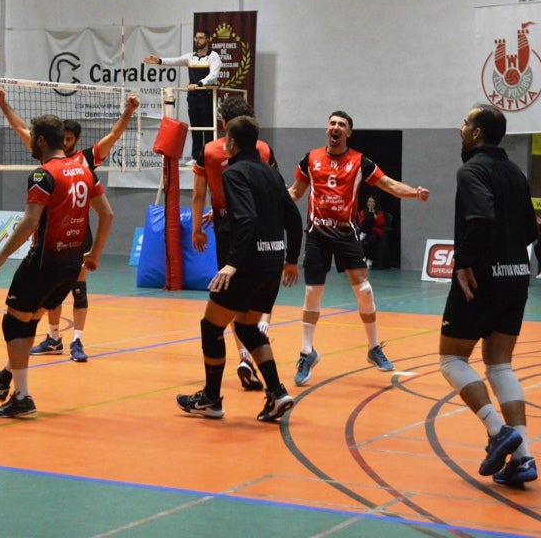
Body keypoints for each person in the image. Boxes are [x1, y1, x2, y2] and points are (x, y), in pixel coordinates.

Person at [0, 115, 114, 418]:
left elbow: (29, 222)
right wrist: (95, 254)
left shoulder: (43, 175)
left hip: (44, 262)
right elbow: (108, 215)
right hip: (71, 265)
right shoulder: (84, 170)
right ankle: (5, 380)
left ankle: (22, 397)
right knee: (30, 320)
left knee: (14, 323)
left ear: (40, 141)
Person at [0, 87, 139, 362]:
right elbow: (20, 128)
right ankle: (53, 337)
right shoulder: (51, 161)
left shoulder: (83, 160)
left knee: (75, 291)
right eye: (66, 138)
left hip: (74, 237)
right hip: (55, 240)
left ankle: (77, 341)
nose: (69, 142)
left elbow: (114, 135)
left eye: (72, 139)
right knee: (51, 298)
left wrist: (128, 112)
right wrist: (3, 105)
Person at [286, 110, 429, 386]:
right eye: (332, 123)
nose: (336, 127)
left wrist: (414, 193)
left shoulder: (360, 162)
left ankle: (374, 348)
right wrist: (268, 197)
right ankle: (307, 352)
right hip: (317, 234)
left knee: (364, 290)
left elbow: (388, 185)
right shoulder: (311, 158)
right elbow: (295, 193)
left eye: (342, 125)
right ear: (326, 129)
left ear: (349, 133)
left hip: (345, 234)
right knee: (312, 293)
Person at [177, 116, 304, 421]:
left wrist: (232, 264)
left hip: (248, 264)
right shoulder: (272, 174)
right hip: (273, 262)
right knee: (246, 327)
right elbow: (295, 220)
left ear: (230, 142)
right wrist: (290, 260)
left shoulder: (233, 173)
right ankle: (276, 392)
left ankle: (211, 399)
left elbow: (245, 219)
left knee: (211, 326)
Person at [439, 104, 540, 486]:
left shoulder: (472, 170)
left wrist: (465, 260)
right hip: (517, 275)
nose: (460, 128)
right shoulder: (515, 172)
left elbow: (479, 217)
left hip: (480, 278)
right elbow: (530, 229)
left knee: (451, 358)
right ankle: (524, 459)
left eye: (465, 123)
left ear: (477, 133)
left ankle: (498, 431)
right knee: (500, 366)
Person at [191, 96, 279, 391]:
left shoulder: (209, 151)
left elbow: (198, 194)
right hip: (263, 229)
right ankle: (262, 368)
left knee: (226, 302)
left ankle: (237, 362)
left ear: (224, 124)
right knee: (253, 301)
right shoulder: (264, 149)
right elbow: (268, 187)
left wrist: (197, 228)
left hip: (229, 227)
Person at [144, 30, 221, 165]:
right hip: (193, 97)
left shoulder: (213, 56)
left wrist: (199, 84)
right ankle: (196, 156)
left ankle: (208, 155)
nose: (198, 40)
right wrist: (159, 61)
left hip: (206, 96)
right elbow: (175, 60)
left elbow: (213, 75)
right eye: (196, 38)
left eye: (201, 38)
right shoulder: (190, 57)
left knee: (208, 128)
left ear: (207, 39)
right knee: (195, 128)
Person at [356, 195, 388, 267]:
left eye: (372, 202)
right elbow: (360, 223)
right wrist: (368, 216)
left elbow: (381, 224)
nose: (370, 203)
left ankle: (369, 260)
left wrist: (373, 214)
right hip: (366, 231)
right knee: (369, 215)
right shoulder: (362, 212)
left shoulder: (379, 213)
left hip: (374, 232)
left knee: (372, 239)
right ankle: (363, 233)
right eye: (369, 201)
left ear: (375, 203)